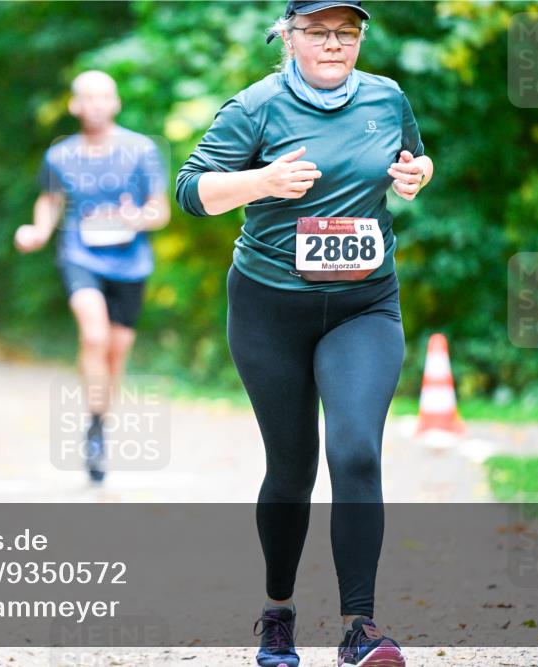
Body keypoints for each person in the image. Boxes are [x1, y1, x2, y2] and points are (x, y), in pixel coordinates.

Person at [176, 2, 433, 666]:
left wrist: (415, 175)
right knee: (291, 468)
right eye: (318, 32)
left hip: (363, 307)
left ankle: (360, 628)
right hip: (271, 310)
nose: (333, 44)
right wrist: (262, 181)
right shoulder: (256, 107)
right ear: (288, 38)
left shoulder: (386, 98)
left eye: (346, 34)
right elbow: (190, 188)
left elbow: (414, 160)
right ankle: (279, 612)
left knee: (354, 452)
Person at [14, 70, 170, 484]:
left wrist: (135, 217)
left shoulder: (141, 150)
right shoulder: (60, 154)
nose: (97, 104)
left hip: (130, 262)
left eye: (105, 97)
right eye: (89, 97)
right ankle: (96, 431)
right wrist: (37, 232)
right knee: (94, 337)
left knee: (116, 353)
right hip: (79, 254)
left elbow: (160, 210)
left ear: (116, 103)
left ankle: (97, 422)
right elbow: (48, 203)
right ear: (75, 105)